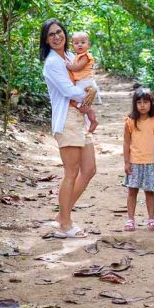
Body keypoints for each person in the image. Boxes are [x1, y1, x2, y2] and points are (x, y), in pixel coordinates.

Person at [39, 19, 97, 238]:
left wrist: (91, 105)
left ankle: (62, 216)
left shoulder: (72, 57)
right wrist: (90, 95)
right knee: (71, 172)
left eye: (59, 32)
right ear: (46, 40)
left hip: (79, 118)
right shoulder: (53, 63)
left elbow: (87, 81)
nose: (56, 36)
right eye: (51, 34)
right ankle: (65, 223)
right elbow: (69, 91)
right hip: (67, 120)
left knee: (89, 169)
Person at [122, 87, 154, 232]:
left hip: (150, 163)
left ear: (151, 103)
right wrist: (126, 162)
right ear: (135, 104)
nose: (142, 105)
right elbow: (126, 142)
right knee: (132, 191)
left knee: (149, 191)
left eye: (146, 102)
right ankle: (130, 220)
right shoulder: (130, 121)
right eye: (139, 102)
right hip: (134, 162)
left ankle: (151, 219)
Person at [65, 31, 100, 132]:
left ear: (88, 45)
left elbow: (77, 67)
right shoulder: (77, 56)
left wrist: (68, 66)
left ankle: (92, 120)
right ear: (72, 46)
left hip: (85, 82)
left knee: (77, 103)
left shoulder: (85, 56)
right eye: (76, 43)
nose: (79, 44)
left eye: (83, 42)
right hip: (83, 82)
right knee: (81, 104)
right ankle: (91, 120)